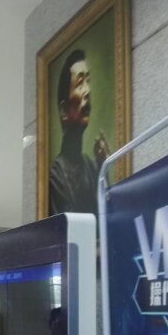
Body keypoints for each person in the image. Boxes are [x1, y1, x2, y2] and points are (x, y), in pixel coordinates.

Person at [49, 49, 111, 216]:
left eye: (88, 81)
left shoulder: (91, 167)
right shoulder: (56, 174)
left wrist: (103, 169)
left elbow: (107, 218)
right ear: (63, 111)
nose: (87, 91)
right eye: (80, 83)